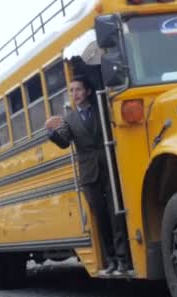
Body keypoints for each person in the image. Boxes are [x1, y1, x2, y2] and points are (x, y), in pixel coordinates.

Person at [45, 76, 129, 275]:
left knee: (116, 214)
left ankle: (123, 259)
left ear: (88, 92)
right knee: (100, 216)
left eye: (79, 90)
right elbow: (64, 141)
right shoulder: (69, 119)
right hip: (89, 173)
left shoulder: (101, 108)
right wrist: (51, 133)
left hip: (108, 164)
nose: (75, 94)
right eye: (72, 91)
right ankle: (111, 260)